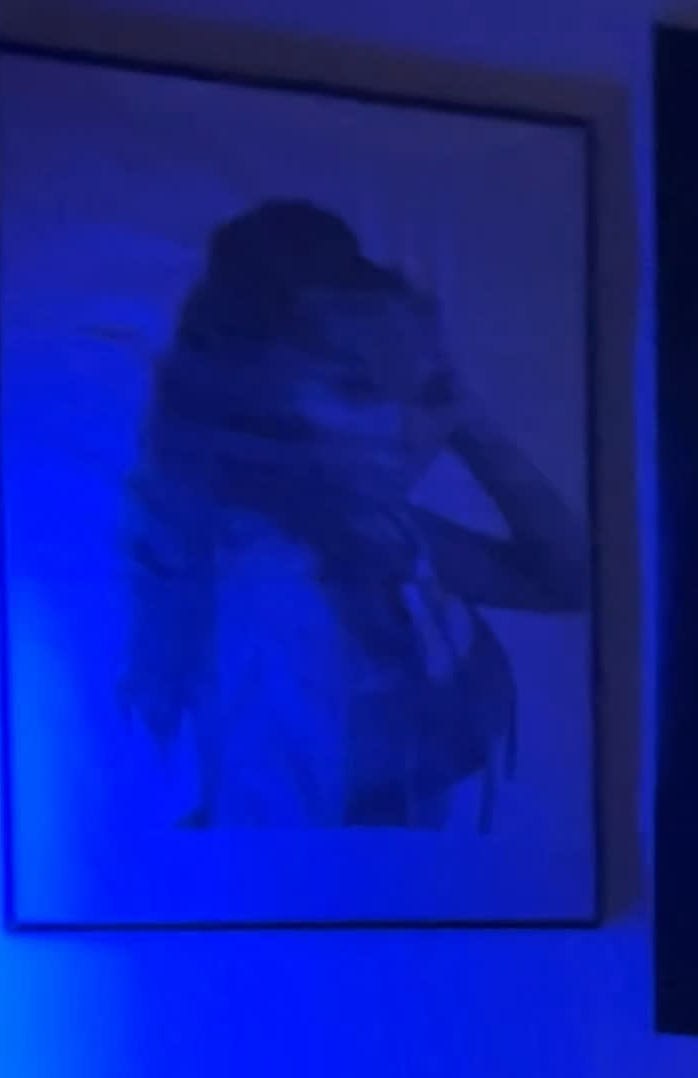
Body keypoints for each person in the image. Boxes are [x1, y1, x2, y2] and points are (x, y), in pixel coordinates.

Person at [119, 199, 589, 831]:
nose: (406, 429)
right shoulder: (276, 591)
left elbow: (567, 578)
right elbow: (274, 863)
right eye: (356, 390)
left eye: (423, 393)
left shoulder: (382, 530)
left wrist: (465, 416)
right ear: (267, 398)